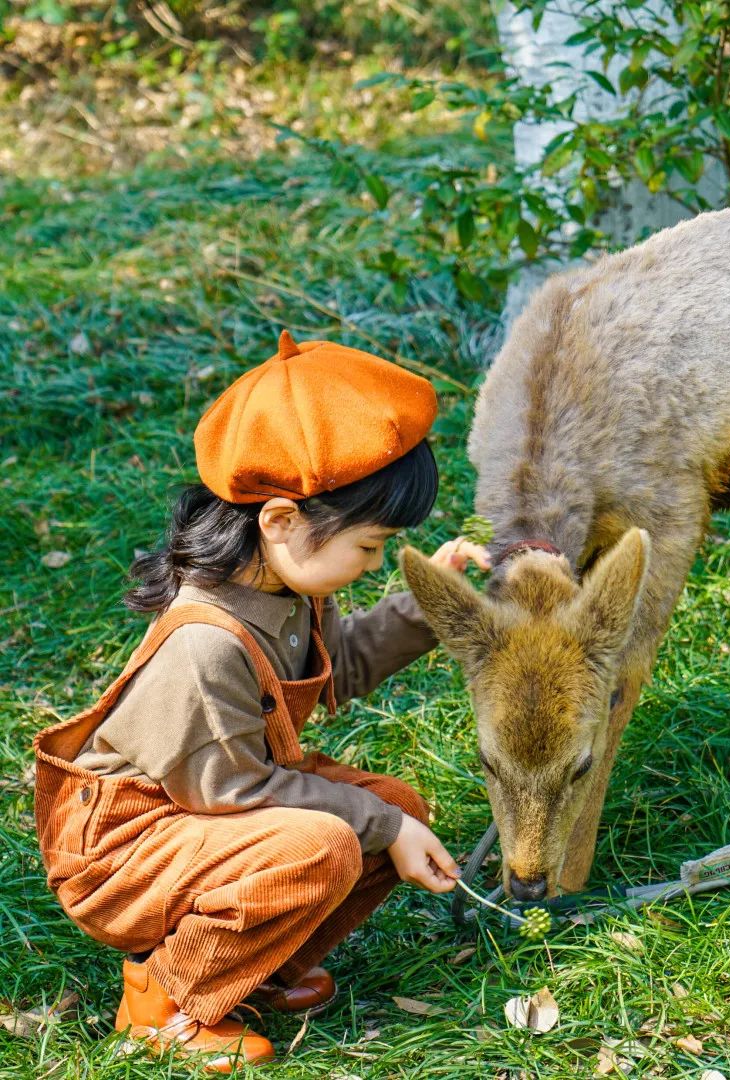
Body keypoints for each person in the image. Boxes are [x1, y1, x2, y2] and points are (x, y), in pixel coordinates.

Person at [33, 330, 489, 1071]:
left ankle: (254, 965)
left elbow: (337, 668)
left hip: (202, 813)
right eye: (369, 547)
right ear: (280, 521)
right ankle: (166, 999)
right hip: (127, 849)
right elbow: (234, 791)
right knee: (332, 841)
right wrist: (379, 825)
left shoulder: (282, 585)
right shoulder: (205, 644)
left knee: (391, 807)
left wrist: (429, 604)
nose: (373, 565)